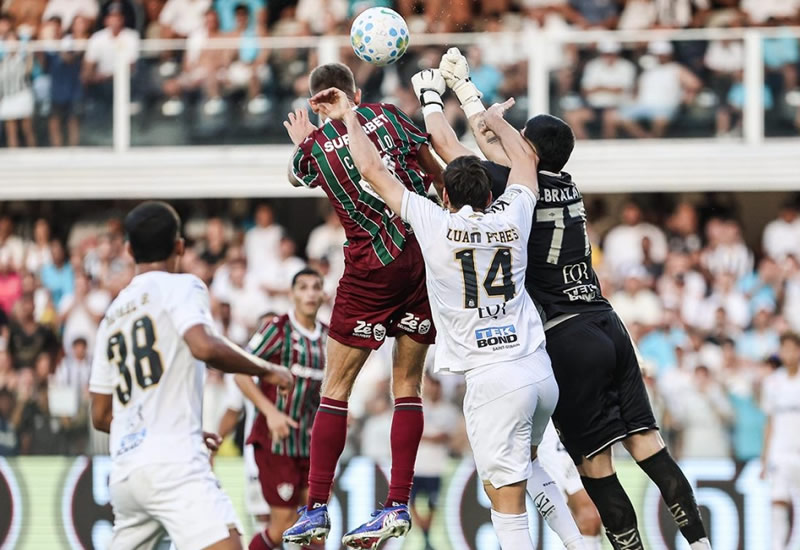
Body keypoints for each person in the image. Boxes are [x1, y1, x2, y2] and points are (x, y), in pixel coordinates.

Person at [415, 48, 712, 550]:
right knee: (649, 446)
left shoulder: (512, 188)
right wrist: (467, 92)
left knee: (597, 467)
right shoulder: (565, 184)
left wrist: (441, 97)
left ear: (526, 151)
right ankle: (700, 544)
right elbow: (500, 149)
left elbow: (451, 147)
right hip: (607, 322)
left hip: (566, 333)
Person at [312, 87, 586, 550]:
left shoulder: (434, 221)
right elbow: (525, 162)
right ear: (490, 192)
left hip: (493, 380)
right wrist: (494, 120)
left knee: (504, 501)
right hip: (539, 371)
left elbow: (372, 170)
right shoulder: (514, 213)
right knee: (532, 464)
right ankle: (579, 545)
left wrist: (350, 116)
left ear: (444, 192)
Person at [280, 62, 443, 547]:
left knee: (335, 391)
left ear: (318, 103)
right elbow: (436, 169)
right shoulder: (390, 115)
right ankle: (397, 504)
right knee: (407, 387)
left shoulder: (312, 148)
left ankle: (315, 510)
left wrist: (307, 139)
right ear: (354, 93)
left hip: (371, 270)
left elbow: (295, 176)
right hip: (422, 257)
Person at [88, 201, 293, 550]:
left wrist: (179, 428)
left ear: (129, 250)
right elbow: (204, 346)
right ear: (180, 246)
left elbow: (101, 415)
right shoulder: (182, 286)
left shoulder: (112, 315)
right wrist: (267, 368)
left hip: (126, 474)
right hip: (174, 466)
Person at [234, 268, 327, 550]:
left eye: (316, 287)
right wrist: (271, 412)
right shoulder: (277, 329)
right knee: (282, 525)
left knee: (316, 527)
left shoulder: (328, 337)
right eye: (303, 287)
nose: (310, 293)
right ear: (292, 294)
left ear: (323, 294)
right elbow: (240, 371)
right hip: (277, 443)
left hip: (312, 445)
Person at [761, 332, 800, 550]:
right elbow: (769, 422)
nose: (788, 354)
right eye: (784, 349)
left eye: (792, 349)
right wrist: (764, 458)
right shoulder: (773, 382)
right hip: (780, 452)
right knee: (778, 501)